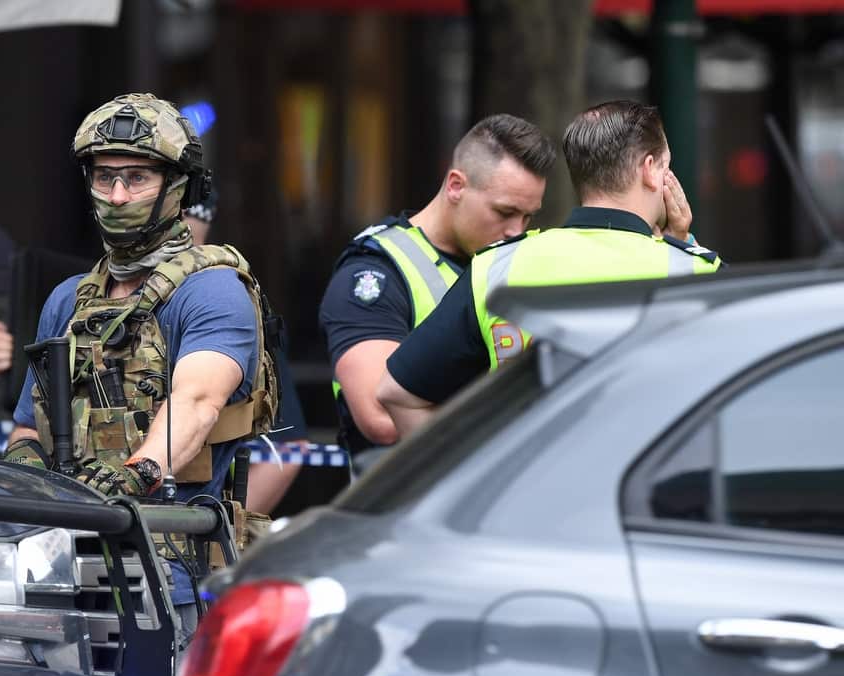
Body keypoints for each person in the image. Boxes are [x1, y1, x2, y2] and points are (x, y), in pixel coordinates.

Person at [3, 93, 274, 641]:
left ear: (177, 187)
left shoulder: (214, 291)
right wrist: (25, 461)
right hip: (63, 554)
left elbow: (197, 400)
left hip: (174, 562)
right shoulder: (69, 300)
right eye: (104, 179)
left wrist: (140, 470)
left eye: (136, 178)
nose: (118, 195)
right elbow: (30, 422)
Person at [378, 100, 722, 434]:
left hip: (528, 488)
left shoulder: (497, 267)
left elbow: (397, 394)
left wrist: (478, 479)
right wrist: (683, 244)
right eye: (666, 166)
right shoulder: (695, 276)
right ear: (650, 170)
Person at [319, 114, 555, 469]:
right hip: (403, 502)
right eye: (505, 211)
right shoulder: (375, 273)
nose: (515, 231)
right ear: (456, 185)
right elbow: (381, 418)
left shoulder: (505, 263)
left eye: (527, 217)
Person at [183, 194, 308, 515]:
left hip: (192, 527)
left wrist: (220, 531)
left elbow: (288, 449)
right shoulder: (93, 296)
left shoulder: (233, 307)